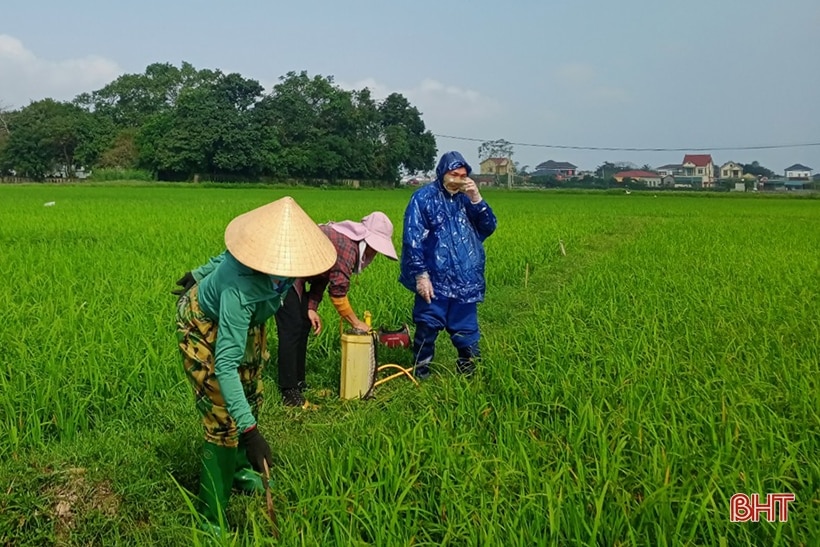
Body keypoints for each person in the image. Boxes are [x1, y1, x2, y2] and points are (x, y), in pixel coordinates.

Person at [173, 196, 336, 534]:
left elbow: (223, 257)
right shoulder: (240, 289)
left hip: (249, 318)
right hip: (202, 324)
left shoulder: (279, 264)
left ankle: (235, 474)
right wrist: (250, 434)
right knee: (222, 414)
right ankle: (209, 516)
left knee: (252, 392)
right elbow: (226, 364)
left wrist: (199, 272)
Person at [274, 212, 399, 407]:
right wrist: (356, 322)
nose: (373, 255)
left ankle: (299, 383)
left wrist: (311, 307)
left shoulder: (347, 242)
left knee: (303, 323)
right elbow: (338, 293)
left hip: (297, 275)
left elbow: (322, 276)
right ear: (366, 240)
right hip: (282, 273)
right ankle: (289, 392)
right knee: (292, 328)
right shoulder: (347, 246)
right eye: (374, 249)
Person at [399, 151, 497, 379]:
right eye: (454, 174)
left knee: (467, 330)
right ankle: (420, 375)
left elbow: (488, 227)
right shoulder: (423, 198)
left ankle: (470, 375)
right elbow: (413, 238)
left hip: (466, 278)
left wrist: (477, 199)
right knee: (428, 325)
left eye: (463, 175)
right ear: (443, 173)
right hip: (435, 278)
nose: (459, 179)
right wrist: (421, 274)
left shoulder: (467, 199)